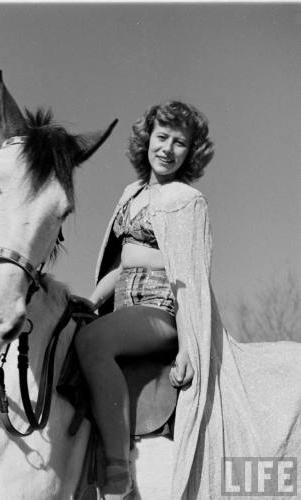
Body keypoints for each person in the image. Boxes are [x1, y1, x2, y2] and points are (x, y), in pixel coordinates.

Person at [74, 100, 214, 499]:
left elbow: (191, 276)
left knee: (92, 342)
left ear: (191, 152)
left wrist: (189, 347)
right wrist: (88, 301)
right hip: (122, 306)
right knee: (69, 334)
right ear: (148, 139)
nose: (167, 149)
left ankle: (117, 467)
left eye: (180, 143)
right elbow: (120, 266)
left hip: (161, 312)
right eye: (162, 137)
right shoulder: (131, 193)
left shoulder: (187, 199)